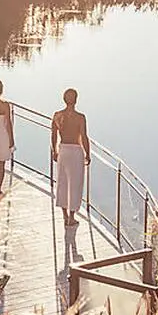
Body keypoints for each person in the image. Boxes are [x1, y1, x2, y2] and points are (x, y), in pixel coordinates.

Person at [52, 88, 91, 226]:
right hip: (75, 151)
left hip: (63, 150)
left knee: (62, 182)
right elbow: (84, 137)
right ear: (76, 100)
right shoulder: (80, 117)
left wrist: (54, 151)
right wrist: (88, 154)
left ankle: (64, 215)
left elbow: (53, 136)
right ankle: (71, 217)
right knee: (75, 184)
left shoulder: (57, 115)